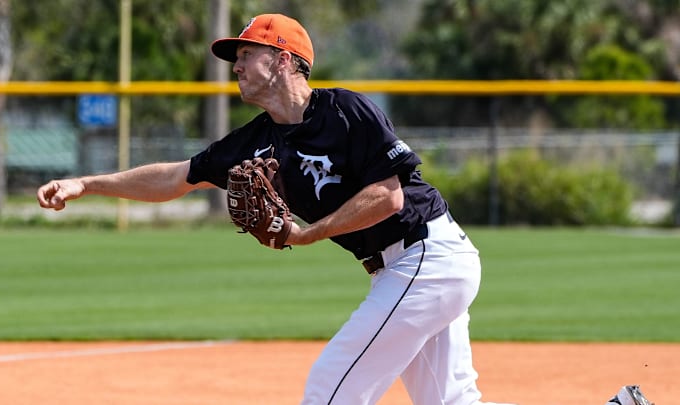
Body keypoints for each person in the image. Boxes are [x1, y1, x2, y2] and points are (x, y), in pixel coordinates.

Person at [37, 13, 516, 405]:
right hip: (405, 268)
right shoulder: (255, 140)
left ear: (284, 60)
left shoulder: (346, 111)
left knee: (329, 393)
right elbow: (175, 176)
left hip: (427, 258)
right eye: (236, 57)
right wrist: (86, 183)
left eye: (247, 54)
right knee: (453, 404)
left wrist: (309, 233)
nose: (237, 66)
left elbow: (386, 196)